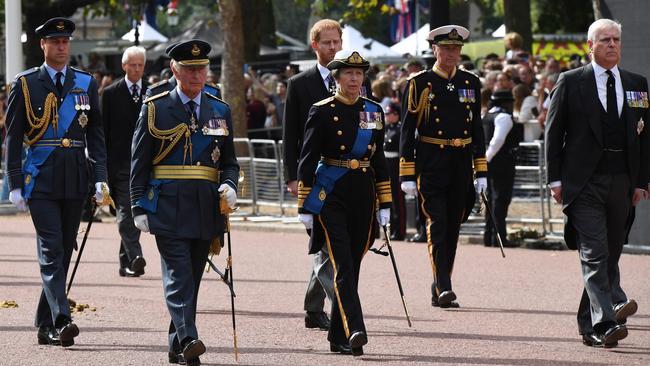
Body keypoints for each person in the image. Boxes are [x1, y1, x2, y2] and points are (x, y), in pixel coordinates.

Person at [130, 39, 239, 365]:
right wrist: (137, 205)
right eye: (189, 69)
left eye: (201, 69)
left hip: (206, 205)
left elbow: (229, 160)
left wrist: (230, 184)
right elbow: (139, 159)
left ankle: (177, 344)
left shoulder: (219, 109)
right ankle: (190, 337)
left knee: (191, 275)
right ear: (175, 70)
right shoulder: (156, 107)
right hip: (167, 203)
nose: (196, 75)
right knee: (178, 274)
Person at [4, 17, 108, 347]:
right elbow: (14, 135)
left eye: (65, 42)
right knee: (51, 250)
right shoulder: (25, 83)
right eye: (55, 41)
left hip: (76, 177)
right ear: (43, 45)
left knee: (64, 251)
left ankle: (44, 322)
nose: (62, 47)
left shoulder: (85, 83)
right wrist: (15, 183)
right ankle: (62, 318)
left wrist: (101, 180)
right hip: (42, 179)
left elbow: (96, 134)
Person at [545, 18, 648, 349]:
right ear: (590, 46)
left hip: (622, 180)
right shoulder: (571, 81)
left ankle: (589, 323)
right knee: (594, 252)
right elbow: (553, 132)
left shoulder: (636, 83)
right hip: (583, 182)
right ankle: (607, 320)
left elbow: (645, 138)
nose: (612, 45)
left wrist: (641, 181)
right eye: (604, 40)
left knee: (611, 254)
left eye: (616, 39)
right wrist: (555, 178)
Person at [297, 50, 391, 356]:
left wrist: (386, 202)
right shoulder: (322, 110)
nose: (354, 79)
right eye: (348, 74)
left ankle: (338, 337)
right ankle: (356, 328)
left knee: (353, 263)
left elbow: (378, 159)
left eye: (359, 74)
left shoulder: (373, 111)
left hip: (363, 193)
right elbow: (308, 158)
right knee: (342, 264)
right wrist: (304, 206)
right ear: (336, 78)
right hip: (331, 195)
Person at [399, 25, 487, 309]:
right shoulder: (420, 83)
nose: (451, 53)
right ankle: (445, 285)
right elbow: (407, 130)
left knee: (453, 226)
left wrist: (481, 169)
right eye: (446, 48)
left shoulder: (471, 82)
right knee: (437, 223)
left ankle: (439, 285)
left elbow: (476, 127)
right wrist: (407, 172)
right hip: (432, 160)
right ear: (434, 49)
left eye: (456, 48)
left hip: (461, 162)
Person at [282, 18, 343, 331]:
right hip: (313, 175)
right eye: (327, 43)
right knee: (323, 243)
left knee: (333, 242)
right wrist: (292, 177)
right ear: (314, 45)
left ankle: (312, 307)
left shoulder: (354, 78)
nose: (333, 47)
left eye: (336, 42)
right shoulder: (300, 83)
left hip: (345, 176)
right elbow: (290, 134)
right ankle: (345, 308)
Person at [102, 46, 148, 277]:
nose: (137, 69)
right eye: (133, 65)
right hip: (120, 165)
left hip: (146, 165)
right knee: (126, 212)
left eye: (140, 65)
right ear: (124, 66)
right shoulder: (110, 94)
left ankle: (125, 262)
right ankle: (136, 255)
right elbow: (103, 133)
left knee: (135, 212)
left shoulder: (153, 92)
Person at [482, 90, 519, 247]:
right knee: (500, 200)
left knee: (491, 199)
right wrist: (487, 158)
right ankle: (499, 237)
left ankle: (489, 236)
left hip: (489, 162)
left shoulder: (486, 116)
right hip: (501, 163)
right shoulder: (504, 117)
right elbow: (497, 140)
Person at [384, 102, 406, 240]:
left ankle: (400, 231)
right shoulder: (386, 129)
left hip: (395, 166)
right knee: (389, 200)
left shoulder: (400, 129)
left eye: (389, 114)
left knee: (399, 202)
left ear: (396, 115)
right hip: (387, 166)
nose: (386, 116)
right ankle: (392, 229)